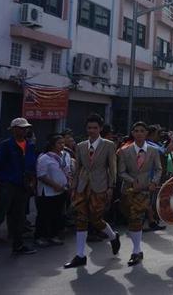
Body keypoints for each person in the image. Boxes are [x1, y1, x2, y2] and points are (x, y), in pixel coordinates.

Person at [64, 113, 121, 268]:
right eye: (89, 128)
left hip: (100, 185)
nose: (91, 131)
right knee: (81, 218)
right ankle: (80, 255)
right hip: (82, 185)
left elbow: (112, 167)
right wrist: (74, 187)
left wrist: (111, 187)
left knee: (96, 219)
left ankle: (113, 236)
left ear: (100, 129)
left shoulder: (109, 145)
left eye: (95, 128)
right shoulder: (80, 146)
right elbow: (78, 168)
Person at [117, 122, 162, 266]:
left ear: (146, 133)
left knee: (137, 217)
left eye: (142, 130)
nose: (139, 133)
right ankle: (133, 247)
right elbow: (121, 172)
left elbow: (158, 169)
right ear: (132, 133)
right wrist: (132, 180)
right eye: (136, 131)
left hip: (145, 189)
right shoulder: (124, 150)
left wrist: (154, 182)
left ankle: (136, 251)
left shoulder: (153, 150)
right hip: (129, 190)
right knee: (131, 218)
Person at [0, 117, 38, 256]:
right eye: (21, 128)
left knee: (19, 217)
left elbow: (32, 165)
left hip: (23, 185)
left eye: (26, 128)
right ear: (13, 130)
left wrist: (32, 181)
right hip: (7, 184)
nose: (24, 131)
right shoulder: (5, 145)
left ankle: (18, 246)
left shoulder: (30, 145)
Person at [35, 134, 68, 247]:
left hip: (61, 191)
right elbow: (41, 175)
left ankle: (53, 235)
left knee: (57, 214)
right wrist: (54, 185)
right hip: (47, 192)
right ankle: (40, 237)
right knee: (44, 215)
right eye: (59, 143)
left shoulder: (63, 156)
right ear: (52, 145)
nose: (62, 145)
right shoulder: (44, 158)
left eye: (63, 143)